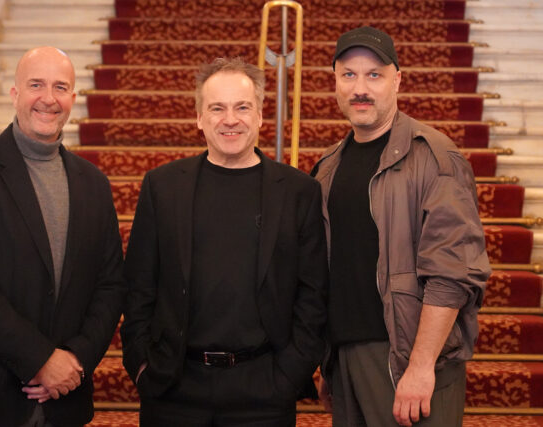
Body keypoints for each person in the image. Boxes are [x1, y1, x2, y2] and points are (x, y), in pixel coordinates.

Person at [120, 57, 328, 426]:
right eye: (217, 108)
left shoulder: (299, 192)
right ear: (199, 117)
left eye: (242, 107)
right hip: (174, 388)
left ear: (260, 115)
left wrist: (288, 376)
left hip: (264, 391)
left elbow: (313, 295)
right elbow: (139, 287)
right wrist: (142, 366)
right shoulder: (162, 187)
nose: (230, 119)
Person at [0, 46, 126, 426]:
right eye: (36, 85)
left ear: (73, 98)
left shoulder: (94, 184)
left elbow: (111, 285)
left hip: (64, 402)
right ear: (15, 93)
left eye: (60, 87)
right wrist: (40, 360)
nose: (48, 98)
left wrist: (75, 359)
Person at [312, 26, 491, 427]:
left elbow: (453, 273)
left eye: (374, 75)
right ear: (335, 83)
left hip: (409, 360)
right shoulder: (328, 168)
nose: (360, 88)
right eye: (349, 75)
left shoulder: (435, 158)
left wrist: (421, 365)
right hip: (347, 360)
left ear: (397, 80)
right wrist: (332, 363)